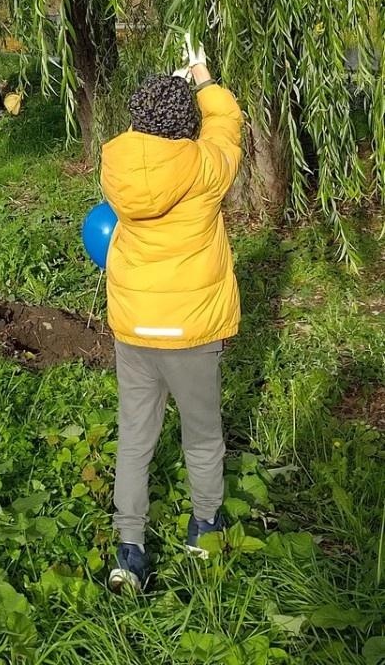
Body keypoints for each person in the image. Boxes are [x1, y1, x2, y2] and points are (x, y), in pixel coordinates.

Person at [100, 37, 243, 594]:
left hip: (134, 327)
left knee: (136, 437)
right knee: (202, 437)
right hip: (191, 330)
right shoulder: (205, 169)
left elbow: (153, 145)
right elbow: (227, 125)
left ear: (138, 120)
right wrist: (203, 79)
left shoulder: (116, 167)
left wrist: (174, 86)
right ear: (186, 126)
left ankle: (129, 548)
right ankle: (204, 528)